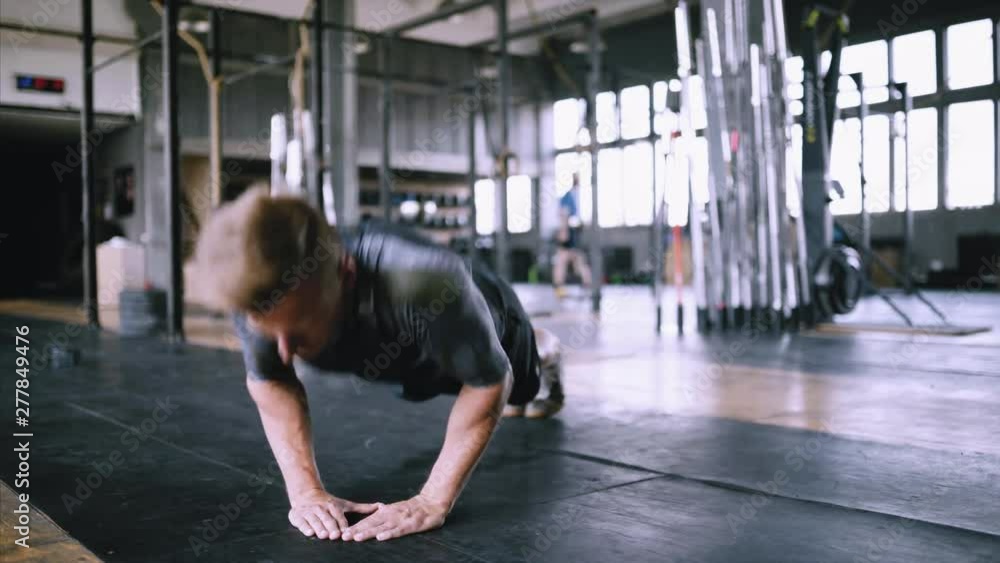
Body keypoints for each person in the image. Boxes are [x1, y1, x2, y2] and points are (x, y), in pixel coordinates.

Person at [194, 188, 564, 544]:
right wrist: (306, 491)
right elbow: (271, 379)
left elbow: (489, 381)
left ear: (347, 275)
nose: (285, 351)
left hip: (485, 321)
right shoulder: (265, 294)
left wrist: (432, 500)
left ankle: (544, 345)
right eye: (271, 333)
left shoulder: (425, 280)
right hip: (407, 354)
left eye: (299, 330)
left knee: (522, 392)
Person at [553, 173, 592, 298]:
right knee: (565, 259)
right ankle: (561, 287)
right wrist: (563, 231)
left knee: (574, 259)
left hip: (574, 231)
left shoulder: (577, 195)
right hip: (569, 230)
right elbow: (564, 214)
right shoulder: (568, 196)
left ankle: (586, 284)